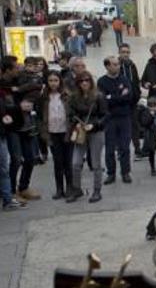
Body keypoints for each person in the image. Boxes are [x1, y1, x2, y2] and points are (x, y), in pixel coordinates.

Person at [67, 72, 107, 203]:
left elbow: (105, 115)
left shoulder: (98, 96)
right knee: (75, 163)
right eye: (81, 81)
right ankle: (77, 189)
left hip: (96, 131)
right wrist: (76, 122)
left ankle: (97, 191)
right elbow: (71, 113)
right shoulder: (74, 97)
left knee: (96, 164)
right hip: (81, 131)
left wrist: (94, 125)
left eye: (87, 80)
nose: (84, 83)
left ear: (91, 81)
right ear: (77, 83)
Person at [97, 56, 135, 184]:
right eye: (114, 64)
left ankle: (125, 172)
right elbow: (103, 100)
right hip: (110, 118)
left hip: (124, 117)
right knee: (109, 148)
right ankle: (111, 173)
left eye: (118, 64)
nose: (117, 66)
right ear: (107, 66)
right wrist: (119, 96)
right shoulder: (102, 81)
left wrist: (112, 97)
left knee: (125, 147)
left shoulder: (124, 79)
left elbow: (129, 96)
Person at [42, 71, 73, 199]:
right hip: (52, 133)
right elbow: (40, 116)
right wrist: (44, 133)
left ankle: (70, 187)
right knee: (57, 162)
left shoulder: (66, 95)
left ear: (60, 81)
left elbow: (72, 113)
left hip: (65, 132)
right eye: (51, 80)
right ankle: (59, 188)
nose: (53, 83)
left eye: (56, 80)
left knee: (68, 162)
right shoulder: (44, 97)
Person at [6, 97, 41, 201]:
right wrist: (19, 107)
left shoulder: (23, 83)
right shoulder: (6, 87)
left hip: (28, 127)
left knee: (30, 159)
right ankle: (12, 191)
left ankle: (24, 187)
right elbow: (4, 107)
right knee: (16, 160)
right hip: (13, 129)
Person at [118, 43, 142, 157]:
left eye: (127, 52)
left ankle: (137, 148)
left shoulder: (132, 65)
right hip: (121, 103)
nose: (126, 54)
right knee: (121, 128)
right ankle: (121, 150)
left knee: (134, 125)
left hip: (132, 102)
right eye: (123, 52)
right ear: (119, 53)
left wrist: (137, 95)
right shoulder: (116, 66)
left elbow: (136, 81)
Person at [137, 97, 156, 176]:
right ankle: (153, 168)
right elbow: (144, 123)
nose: (153, 108)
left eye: (154, 106)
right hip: (150, 133)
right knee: (152, 151)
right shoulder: (146, 112)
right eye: (151, 106)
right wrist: (151, 116)